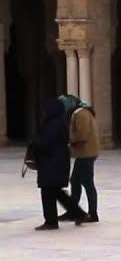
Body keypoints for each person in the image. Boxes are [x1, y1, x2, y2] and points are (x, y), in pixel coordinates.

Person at [31, 98, 85, 230]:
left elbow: (46, 142)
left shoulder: (53, 124)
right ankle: (79, 213)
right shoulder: (60, 122)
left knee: (48, 191)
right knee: (56, 191)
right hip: (56, 162)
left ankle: (51, 221)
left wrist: (34, 144)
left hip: (51, 162)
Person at [60, 94, 100, 225]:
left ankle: (93, 214)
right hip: (84, 153)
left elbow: (82, 135)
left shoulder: (80, 114)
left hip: (86, 153)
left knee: (87, 183)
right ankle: (73, 211)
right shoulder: (80, 112)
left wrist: (67, 140)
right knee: (75, 181)